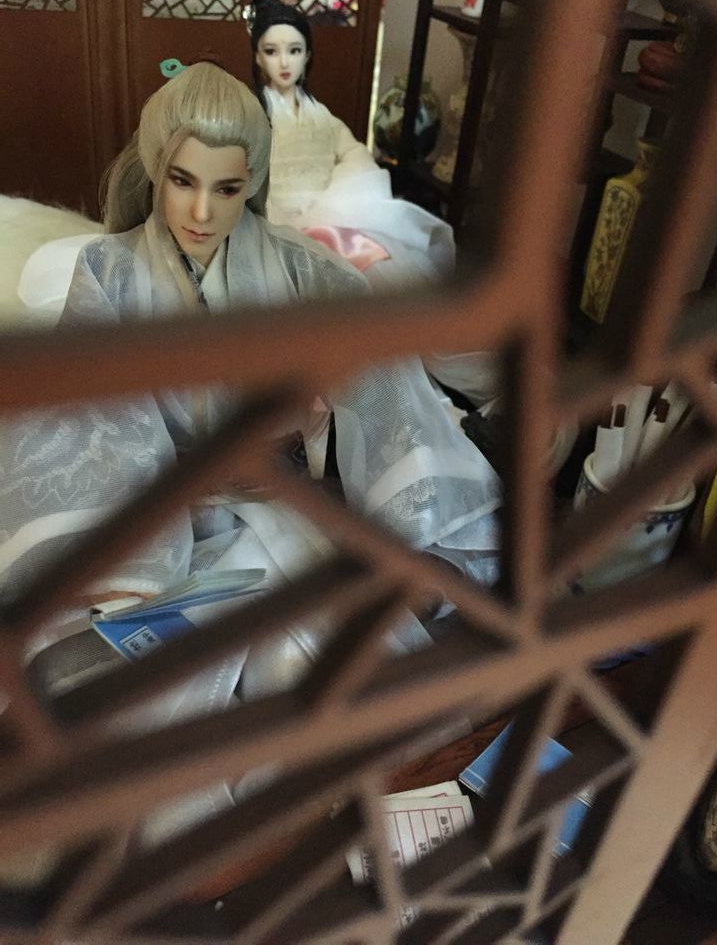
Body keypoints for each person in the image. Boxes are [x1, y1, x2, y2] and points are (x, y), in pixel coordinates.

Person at [0, 60, 502, 613]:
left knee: (326, 632)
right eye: (182, 180)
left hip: (286, 499)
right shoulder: (108, 268)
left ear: (252, 183)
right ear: (156, 168)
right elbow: (97, 422)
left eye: (227, 188)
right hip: (158, 518)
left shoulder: (304, 267)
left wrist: (412, 529)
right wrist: (137, 567)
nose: (202, 211)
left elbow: (381, 385)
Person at [245, 0, 499, 408]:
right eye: (272, 51)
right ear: (257, 57)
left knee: (391, 279)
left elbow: (355, 154)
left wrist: (336, 197)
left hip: (332, 217)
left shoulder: (321, 116)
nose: (284, 62)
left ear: (308, 55)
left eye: (294, 50)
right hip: (276, 223)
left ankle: (439, 375)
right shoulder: (255, 117)